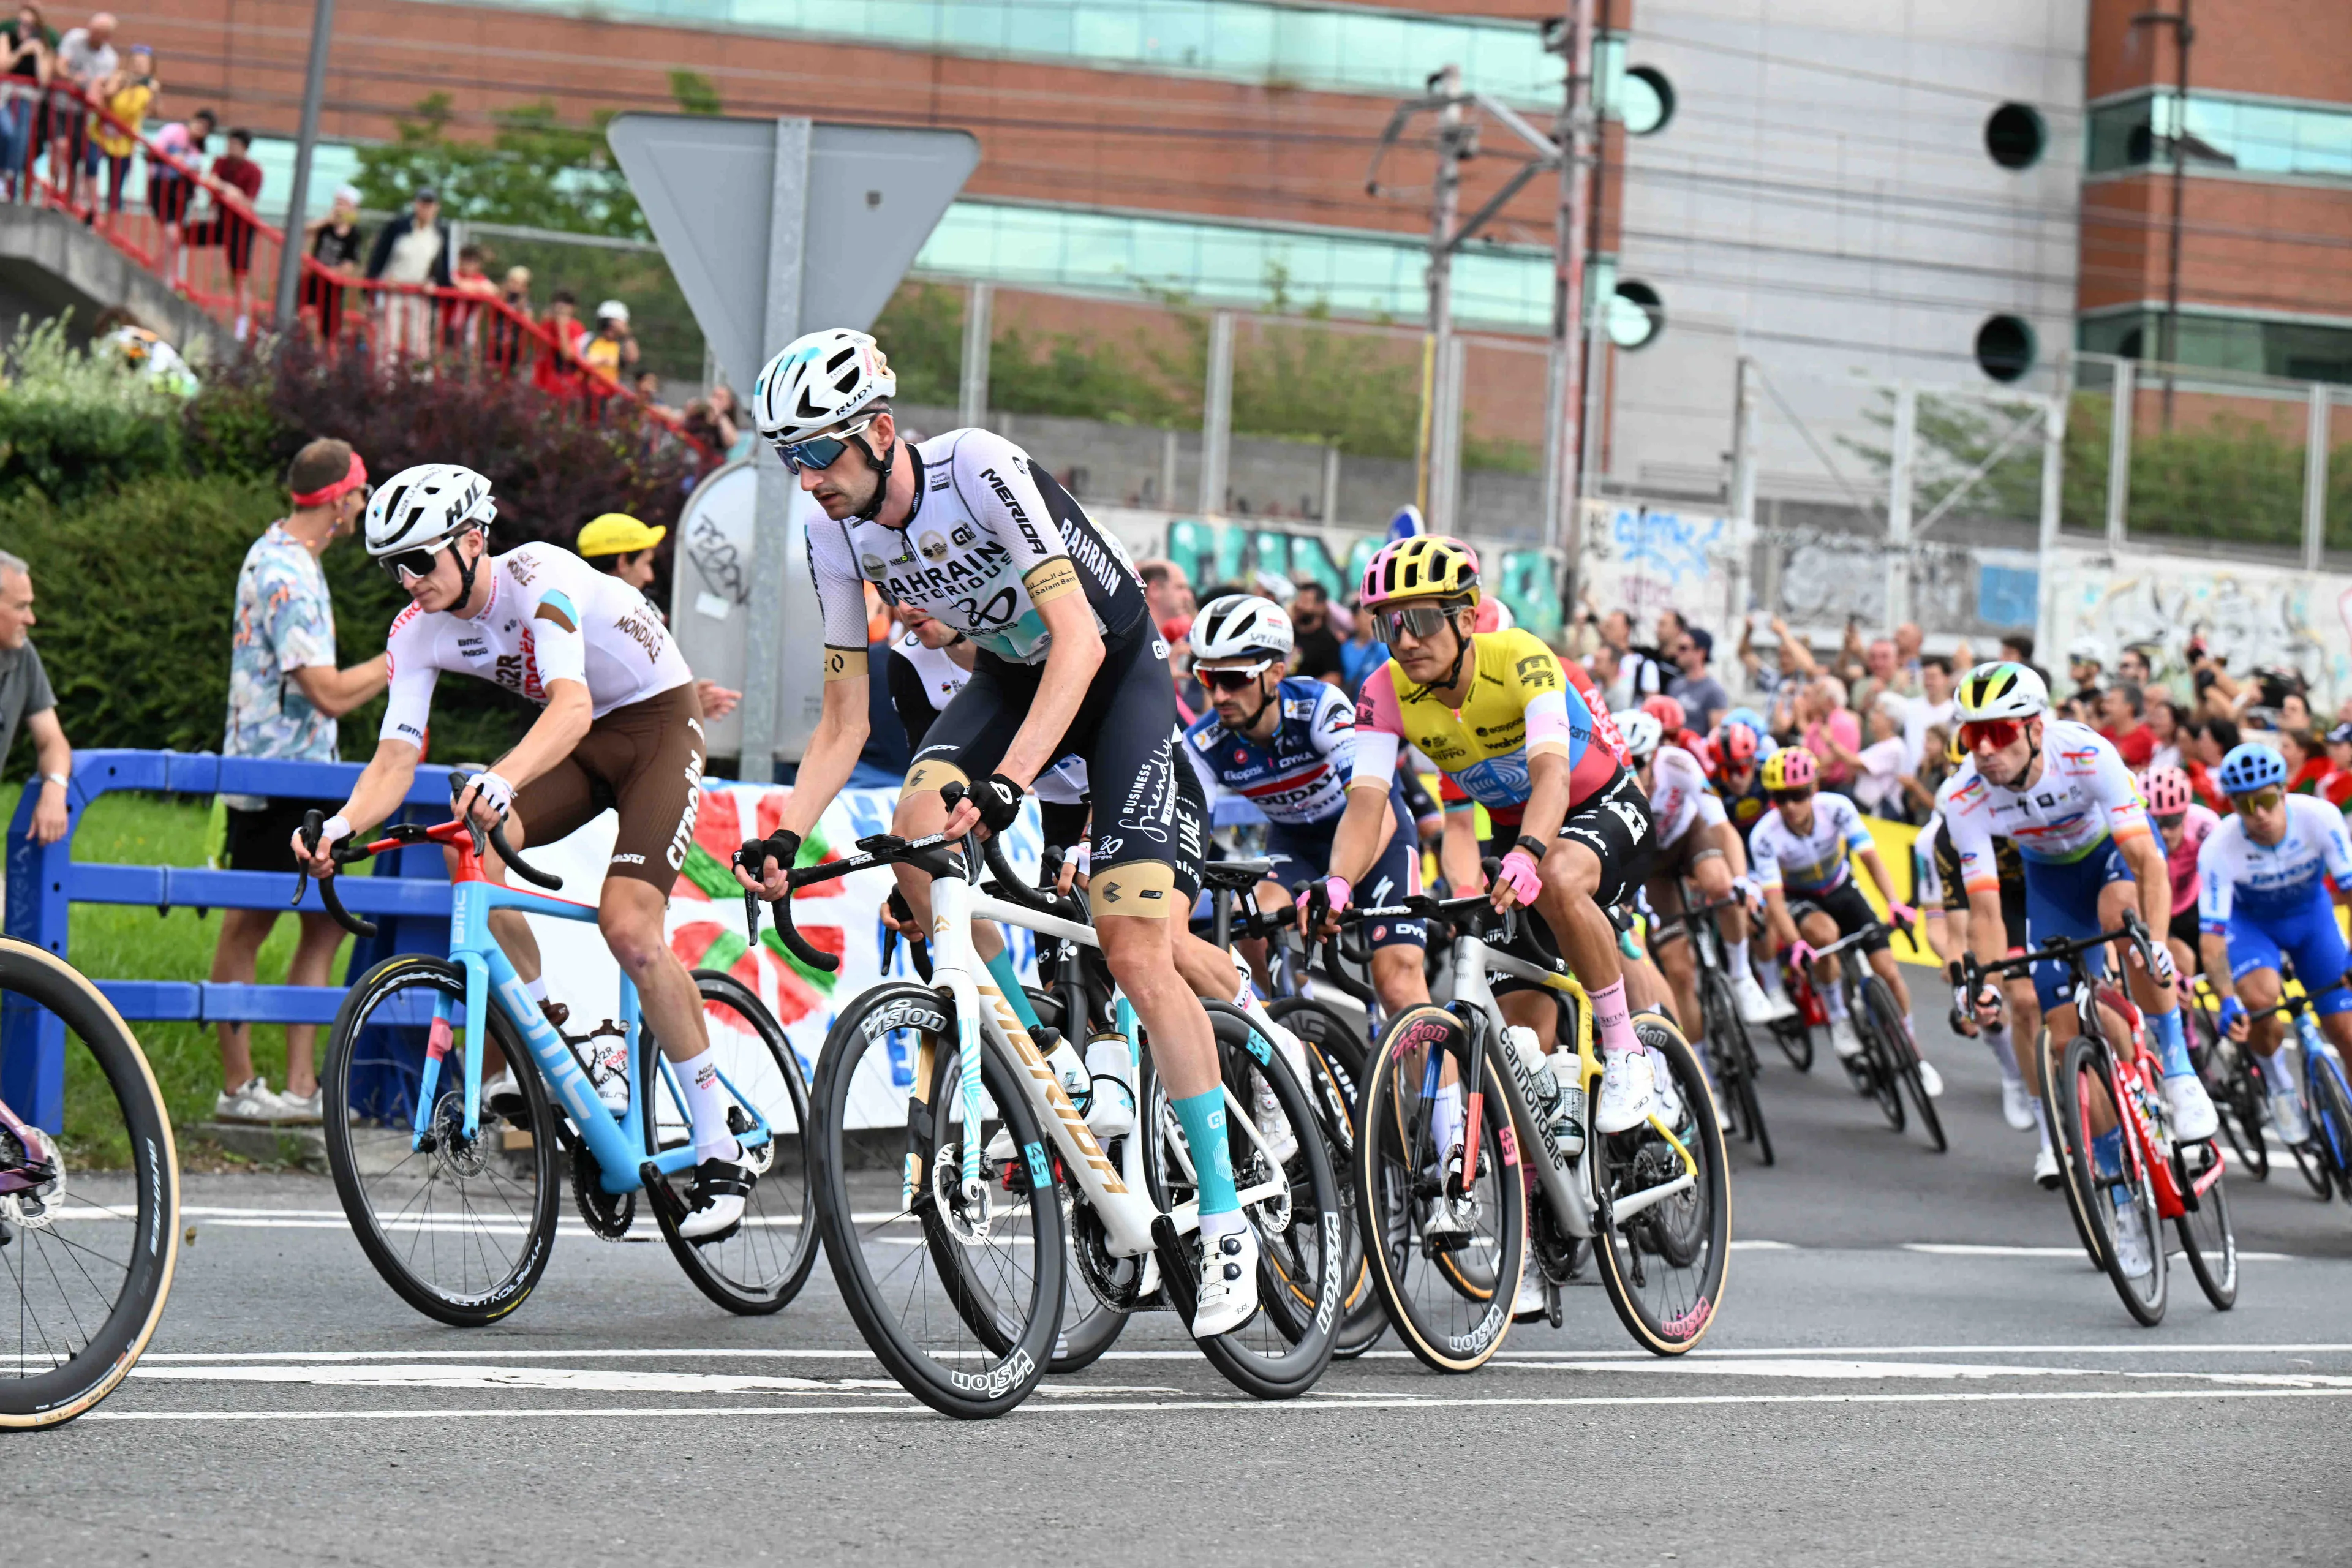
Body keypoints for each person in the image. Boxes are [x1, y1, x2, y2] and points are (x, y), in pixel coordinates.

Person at [735, 327, 1261, 1337]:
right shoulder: (833, 533)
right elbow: (845, 720)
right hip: (1012, 680)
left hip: (1116, 678)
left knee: (1133, 945)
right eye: (785, 459)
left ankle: (1228, 1219)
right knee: (915, 834)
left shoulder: (976, 469)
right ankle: (1045, 1056)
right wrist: (785, 834)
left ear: (879, 432)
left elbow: (1080, 637)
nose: (805, 481)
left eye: (815, 455)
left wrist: (1017, 781)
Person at [292, 462, 753, 1239]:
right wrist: (340, 828)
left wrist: (503, 778)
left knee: (631, 928)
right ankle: (553, 1037)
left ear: (474, 541)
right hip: (582, 740)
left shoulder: (541, 575)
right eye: (392, 566)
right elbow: (395, 759)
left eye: (421, 559)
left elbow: (571, 706)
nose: (407, 580)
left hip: (654, 726)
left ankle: (719, 1148)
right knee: (470, 844)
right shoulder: (417, 630)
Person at [1324, 535, 1661, 1150]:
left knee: (1559, 875)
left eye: (1422, 619)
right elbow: (1367, 804)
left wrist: (1530, 853)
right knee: (1524, 1024)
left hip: (1597, 805)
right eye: (1388, 623)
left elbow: (1553, 776)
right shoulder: (1381, 691)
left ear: (1468, 615)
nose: (1404, 639)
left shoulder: (1522, 657)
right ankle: (1546, 1181)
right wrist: (1338, 882)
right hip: (1515, 829)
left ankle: (1625, 1051)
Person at [1943, 662, 2217, 1214]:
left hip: (2108, 856)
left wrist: (2157, 943)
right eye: (1973, 735)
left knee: (2124, 921)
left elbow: (2147, 861)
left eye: (1998, 732)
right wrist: (1989, 982)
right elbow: (1986, 909)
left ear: (2035, 729)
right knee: (2066, 1041)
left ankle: (2181, 1072)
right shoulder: (1963, 796)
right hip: (2052, 883)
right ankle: (2117, 1186)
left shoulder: (2086, 753)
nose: (1984, 749)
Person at [209, 440, 389, 1125]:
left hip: (306, 774)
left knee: (323, 927)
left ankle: (301, 1090)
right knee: (249, 923)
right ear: (338, 500)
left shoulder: (295, 559)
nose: (367, 504)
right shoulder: (284, 569)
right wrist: (403, 657)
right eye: (363, 491)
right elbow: (327, 693)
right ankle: (237, 1090)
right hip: (274, 777)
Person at [1178, 593, 1427, 1018]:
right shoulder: (1204, 743)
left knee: (1397, 982)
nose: (1219, 695)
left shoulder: (1319, 709)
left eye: (1235, 679)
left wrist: (1339, 882)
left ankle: (1440, 1088)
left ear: (1275, 673)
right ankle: (1300, 1029)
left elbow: (1374, 809)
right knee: (1247, 921)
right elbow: (1187, 832)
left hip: (1375, 831)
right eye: (1207, 679)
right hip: (1296, 843)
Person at [1748, 747, 1938, 1091]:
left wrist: (1894, 903)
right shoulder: (1765, 835)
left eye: (1798, 795)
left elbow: (1870, 858)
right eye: (1781, 798)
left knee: (1888, 971)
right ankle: (1839, 1019)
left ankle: (1914, 1054)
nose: (1791, 806)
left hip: (1840, 886)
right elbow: (1774, 901)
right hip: (1799, 896)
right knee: (1824, 934)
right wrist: (1796, 944)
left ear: (1814, 789)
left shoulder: (1836, 809)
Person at [2199, 742, 2352, 1147]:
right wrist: (2227, 998)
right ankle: (2278, 1082)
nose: (2259, 814)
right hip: (2254, 928)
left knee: (2347, 1032)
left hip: (2312, 921)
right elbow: (2212, 938)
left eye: (2267, 800)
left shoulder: (2319, 817)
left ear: (2284, 791)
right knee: (2262, 1004)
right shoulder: (2218, 847)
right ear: (2231, 805)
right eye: (2246, 806)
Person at [1615, 709, 1781, 1036]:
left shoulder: (1679, 764)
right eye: (1626, 761)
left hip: (1689, 835)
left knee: (1721, 885)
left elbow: (1721, 825)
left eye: (1641, 762)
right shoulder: (1612, 782)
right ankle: (1698, 1059)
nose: (1634, 770)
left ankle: (1741, 974)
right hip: (1652, 863)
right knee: (1679, 970)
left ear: (1656, 754)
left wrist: (1741, 880)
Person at [1913, 744, 2040, 1135]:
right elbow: (1944, 924)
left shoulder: (2017, 807)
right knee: (1978, 979)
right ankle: (2013, 1072)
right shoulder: (1935, 840)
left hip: (2028, 894)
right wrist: (1959, 970)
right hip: (1980, 909)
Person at [0, 549, 70, 847]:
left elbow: (52, 741)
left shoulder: (23, 656)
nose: (32, 619)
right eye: (21, 607)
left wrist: (55, 787)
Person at [364, 186, 452, 363]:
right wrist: (377, 282)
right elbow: (379, 258)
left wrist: (434, 282)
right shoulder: (398, 227)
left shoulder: (439, 233)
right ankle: (385, 383)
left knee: (419, 342)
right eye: (422, 203)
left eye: (430, 204)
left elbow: (441, 266)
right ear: (415, 205)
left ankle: (418, 382)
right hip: (392, 290)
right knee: (388, 340)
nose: (426, 208)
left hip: (419, 292)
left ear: (437, 208)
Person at [191, 126, 262, 339]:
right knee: (183, 236)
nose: (230, 148)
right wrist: (228, 189)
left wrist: (233, 193)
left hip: (241, 228)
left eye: (235, 145)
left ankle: (242, 324)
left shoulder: (253, 171)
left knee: (239, 277)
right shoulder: (221, 163)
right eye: (229, 144)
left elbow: (246, 202)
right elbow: (212, 182)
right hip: (222, 222)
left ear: (244, 148)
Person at [47, 8, 108, 208]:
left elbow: (97, 88)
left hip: (81, 113)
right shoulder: (75, 37)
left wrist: (90, 89)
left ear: (106, 37)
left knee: (75, 159)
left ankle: (68, 200)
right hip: (60, 104)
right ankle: (55, 188)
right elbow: (60, 66)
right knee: (60, 146)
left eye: (98, 33)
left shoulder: (109, 58)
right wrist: (73, 79)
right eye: (92, 29)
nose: (92, 35)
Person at [88, 37, 147, 219]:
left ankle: (110, 226)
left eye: (143, 63)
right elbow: (107, 95)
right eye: (135, 62)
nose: (138, 66)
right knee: (92, 164)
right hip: (101, 134)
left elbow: (154, 111)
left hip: (124, 143)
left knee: (116, 187)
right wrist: (123, 82)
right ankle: (93, 209)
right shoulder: (119, 77)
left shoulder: (148, 89)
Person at [300, 184, 364, 345]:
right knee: (307, 316)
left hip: (333, 288)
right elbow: (304, 231)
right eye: (337, 203)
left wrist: (326, 271)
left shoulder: (354, 235)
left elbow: (348, 267)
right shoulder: (325, 227)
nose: (339, 207)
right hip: (313, 282)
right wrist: (327, 220)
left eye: (343, 204)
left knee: (330, 331)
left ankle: (325, 359)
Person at [0, 6, 48, 202]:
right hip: (4, 97)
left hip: (27, 102)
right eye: (21, 23)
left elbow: (44, 79)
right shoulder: (7, 38)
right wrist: (20, 51)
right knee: (6, 131)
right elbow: (3, 66)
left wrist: (37, 53)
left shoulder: (42, 46)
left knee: (21, 143)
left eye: (29, 25)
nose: (24, 28)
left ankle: (6, 185)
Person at [1666, 624, 1728, 735]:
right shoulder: (1675, 685)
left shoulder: (1714, 691)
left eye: (1683, 648)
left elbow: (1718, 736)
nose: (1678, 653)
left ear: (1701, 653)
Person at [1284, 579, 1344, 684]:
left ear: (1320, 607)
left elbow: (1334, 677)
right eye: (1298, 600)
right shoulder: (1288, 632)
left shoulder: (1328, 642)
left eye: (1305, 602)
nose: (1299, 606)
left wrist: (1303, 689)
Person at [2098, 680, 2154, 771]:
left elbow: (2109, 761)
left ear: (2129, 707)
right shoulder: (2105, 733)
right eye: (2105, 703)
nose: (2104, 707)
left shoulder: (2142, 736)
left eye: (2111, 703)